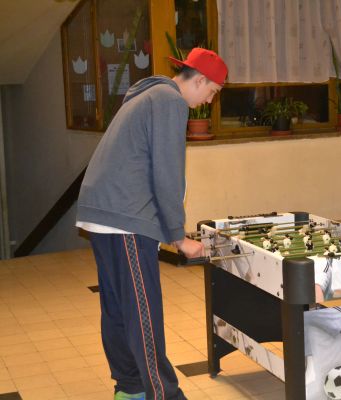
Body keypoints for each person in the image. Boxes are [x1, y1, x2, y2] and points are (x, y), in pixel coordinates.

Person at [76, 48, 227, 400]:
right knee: (142, 310)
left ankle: (129, 388)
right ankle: (164, 394)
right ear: (200, 80)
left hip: (102, 212)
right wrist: (179, 237)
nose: (209, 101)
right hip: (126, 218)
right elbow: (167, 173)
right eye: (212, 92)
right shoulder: (169, 101)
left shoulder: (147, 94)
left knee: (117, 308)